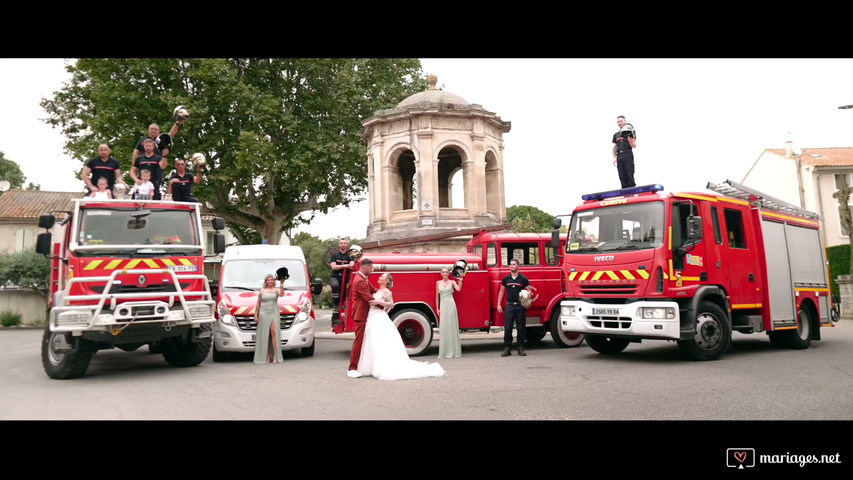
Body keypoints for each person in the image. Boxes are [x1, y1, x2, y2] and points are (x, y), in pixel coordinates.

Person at [357, 273, 445, 381]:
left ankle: (382, 366)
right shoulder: (378, 291)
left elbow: (391, 304)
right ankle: (372, 366)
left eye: (382, 277)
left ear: (387, 282)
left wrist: (378, 302)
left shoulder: (386, 292)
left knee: (380, 341)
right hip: (372, 317)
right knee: (373, 341)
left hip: (380, 317)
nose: (379, 277)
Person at [347, 258, 378, 378]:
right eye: (371, 268)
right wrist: (385, 305)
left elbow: (372, 290)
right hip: (360, 314)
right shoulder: (359, 280)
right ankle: (352, 368)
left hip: (364, 314)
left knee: (363, 340)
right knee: (358, 341)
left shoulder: (364, 279)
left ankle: (358, 366)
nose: (372, 270)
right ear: (365, 267)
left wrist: (384, 291)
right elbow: (368, 298)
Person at [496, 258, 531, 357]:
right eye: (510, 264)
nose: (511, 266)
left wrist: (527, 297)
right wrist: (498, 304)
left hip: (520, 306)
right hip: (509, 306)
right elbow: (501, 292)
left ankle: (521, 347)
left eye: (513, 264)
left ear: (518, 266)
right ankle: (507, 348)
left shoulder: (523, 279)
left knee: (521, 327)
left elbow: (529, 292)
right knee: (508, 327)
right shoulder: (506, 279)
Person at [254, 273, 285, 364]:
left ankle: (276, 355)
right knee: (265, 334)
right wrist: (256, 315)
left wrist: (282, 284)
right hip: (263, 312)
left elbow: (282, 294)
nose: (270, 281)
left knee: (274, 332)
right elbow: (258, 303)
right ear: (266, 281)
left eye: (272, 279)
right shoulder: (262, 291)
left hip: (274, 311)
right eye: (268, 279)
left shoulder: (276, 290)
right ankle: (266, 355)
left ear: (274, 281)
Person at [436, 267, 463, 358]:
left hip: (451, 304)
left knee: (451, 326)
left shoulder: (452, 282)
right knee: (444, 327)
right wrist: (437, 308)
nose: (445, 273)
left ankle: (454, 351)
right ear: (441, 273)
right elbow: (437, 297)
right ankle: (444, 351)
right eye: (443, 272)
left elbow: (458, 289)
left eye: (446, 272)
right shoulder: (438, 283)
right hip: (443, 305)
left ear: (449, 273)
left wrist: (461, 279)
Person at [330, 238, 355, 328]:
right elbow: (333, 267)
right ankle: (335, 304)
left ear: (346, 245)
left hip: (346, 279)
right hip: (336, 277)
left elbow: (352, 265)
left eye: (344, 243)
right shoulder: (335, 255)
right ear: (339, 245)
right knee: (335, 286)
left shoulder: (350, 256)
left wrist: (347, 265)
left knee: (345, 297)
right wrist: (345, 266)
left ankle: (342, 317)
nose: (343, 244)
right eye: (341, 243)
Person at [612, 115, 637, 188]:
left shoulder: (631, 131)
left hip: (627, 154)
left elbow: (634, 145)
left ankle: (632, 194)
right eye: (618, 122)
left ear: (625, 121)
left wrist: (629, 136)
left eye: (620, 121)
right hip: (619, 155)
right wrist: (614, 158)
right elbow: (614, 147)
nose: (619, 123)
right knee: (622, 176)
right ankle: (625, 196)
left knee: (629, 175)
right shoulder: (616, 135)